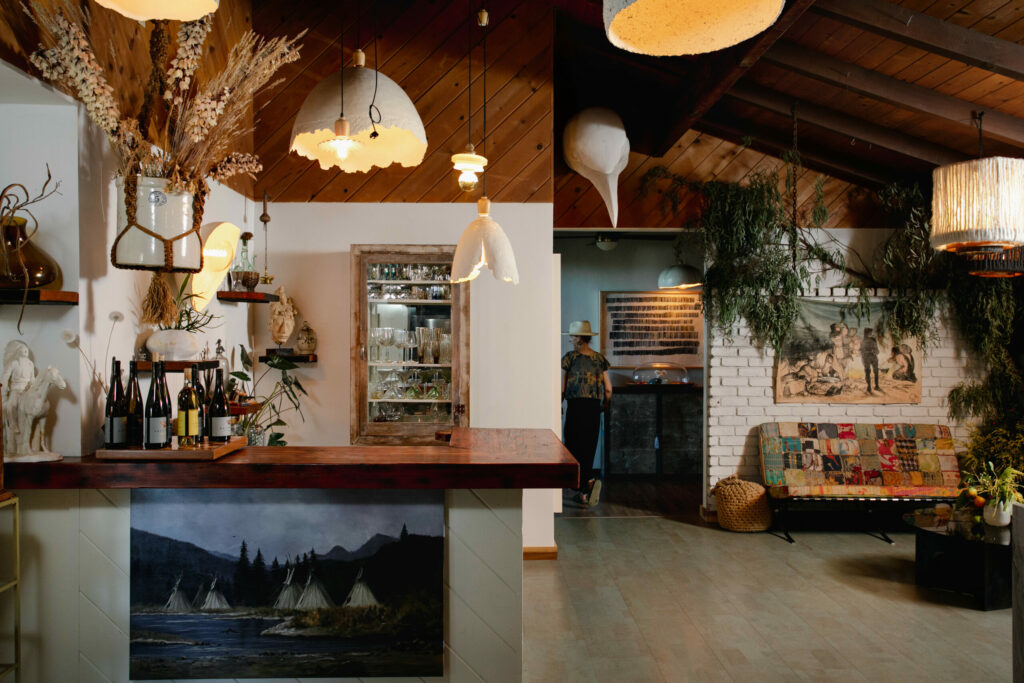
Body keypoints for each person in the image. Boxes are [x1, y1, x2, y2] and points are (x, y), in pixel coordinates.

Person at [561, 320, 612, 506]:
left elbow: (563, 386)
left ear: (581, 338)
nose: (571, 340)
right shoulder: (599, 359)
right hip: (592, 408)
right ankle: (585, 487)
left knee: (573, 446)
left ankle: (583, 485)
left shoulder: (569, 358)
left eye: (573, 336)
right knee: (589, 447)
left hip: (575, 407)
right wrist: (605, 405)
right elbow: (608, 389)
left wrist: (559, 404)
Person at [861, 328, 880, 394]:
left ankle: (877, 386)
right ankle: (869, 387)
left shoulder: (874, 340)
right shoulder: (863, 341)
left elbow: (877, 350)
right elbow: (862, 351)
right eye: (869, 332)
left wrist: (875, 351)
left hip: (874, 357)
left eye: (871, 332)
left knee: (876, 371)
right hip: (866, 358)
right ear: (866, 333)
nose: (871, 334)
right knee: (867, 372)